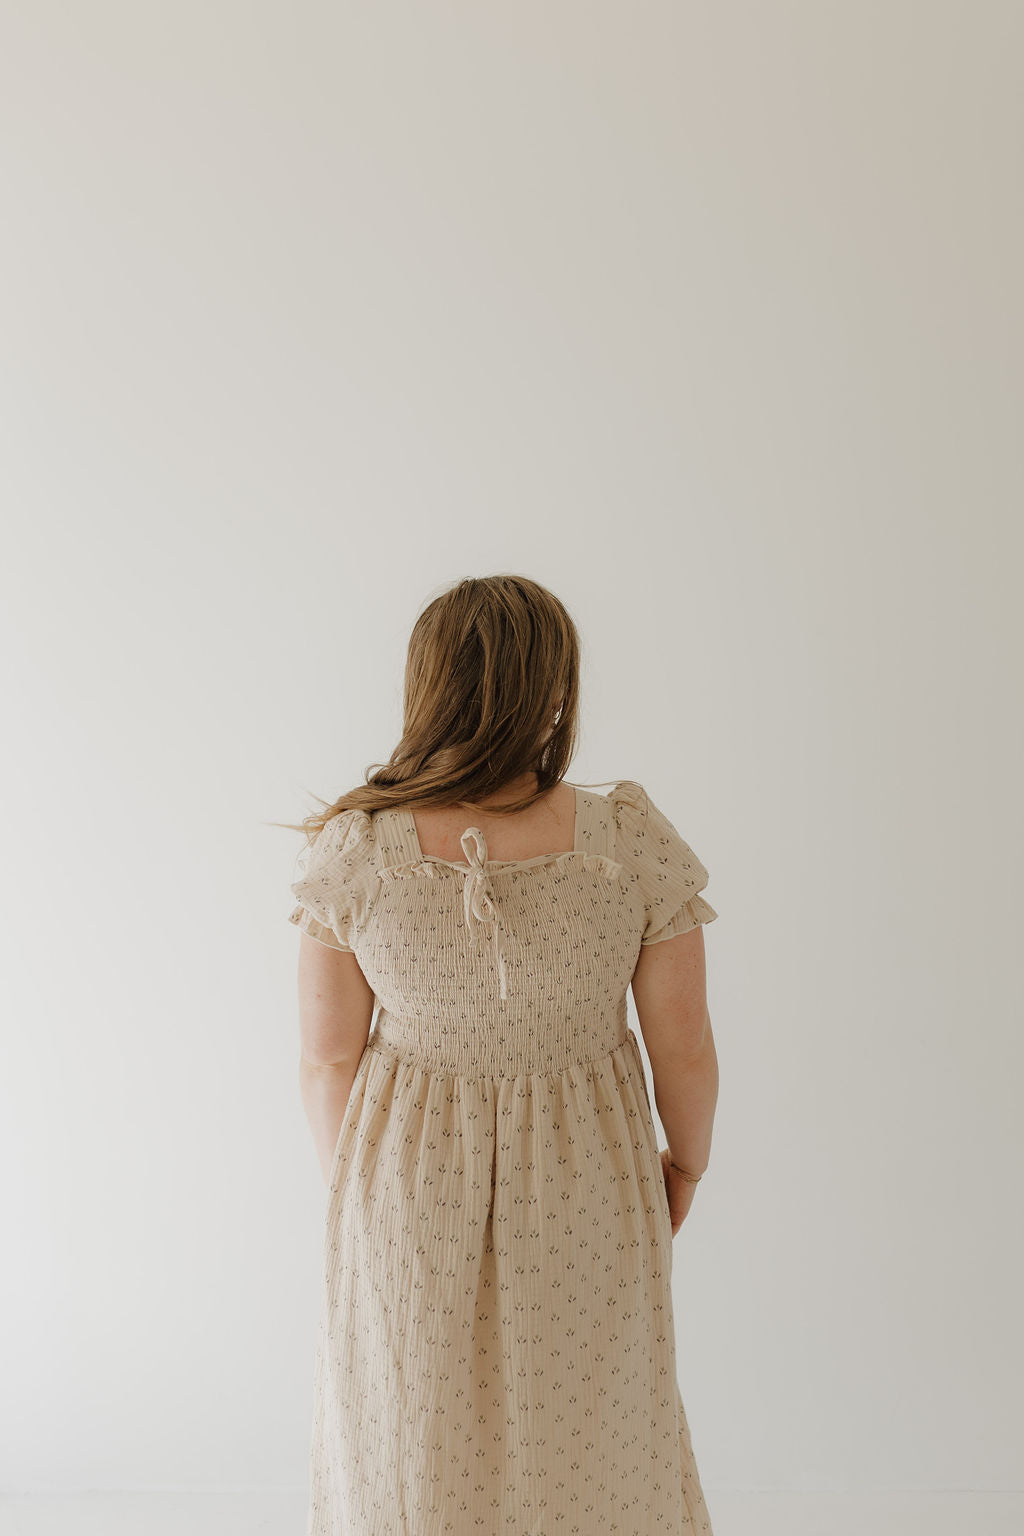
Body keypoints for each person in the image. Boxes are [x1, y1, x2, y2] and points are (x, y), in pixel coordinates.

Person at [284, 574, 718, 1535]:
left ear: (425, 688)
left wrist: (360, 1188)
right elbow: (681, 1042)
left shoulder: (356, 854)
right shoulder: (626, 842)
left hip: (405, 1181)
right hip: (593, 1178)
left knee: (411, 1432)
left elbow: (326, 1061)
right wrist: (685, 1161)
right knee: (600, 1425)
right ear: (554, 690)